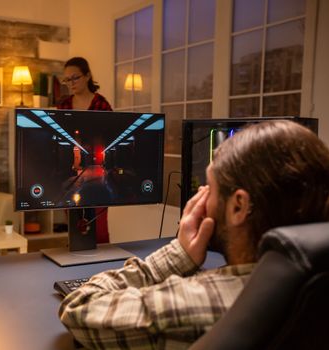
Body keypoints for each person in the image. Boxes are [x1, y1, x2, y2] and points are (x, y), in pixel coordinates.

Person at [58, 120, 329, 349]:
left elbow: (79, 307)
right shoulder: (308, 290)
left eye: (209, 186)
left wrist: (179, 254)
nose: (200, 195)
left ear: (238, 206)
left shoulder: (199, 302)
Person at [57, 56, 112, 243]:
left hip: (97, 173)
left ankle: (104, 268)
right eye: (66, 80)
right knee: (75, 226)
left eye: (75, 78)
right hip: (70, 171)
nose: (70, 83)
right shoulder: (63, 105)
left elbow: (109, 136)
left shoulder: (101, 105)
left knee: (99, 227)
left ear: (87, 76)